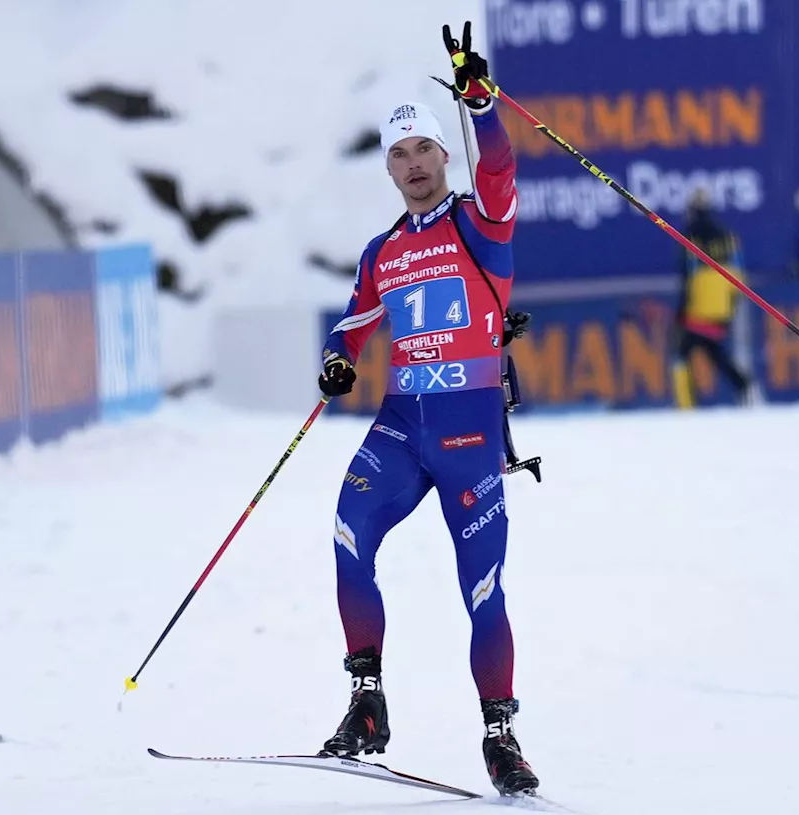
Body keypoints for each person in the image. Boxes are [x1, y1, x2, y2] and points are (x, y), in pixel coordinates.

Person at [313, 22, 538, 797]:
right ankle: (367, 702)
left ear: (445, 156)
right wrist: (339, 359)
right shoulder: (384, 251)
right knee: (347, 535)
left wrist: (479, 101)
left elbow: (503, 163)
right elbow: (355, 318)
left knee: (482, 588)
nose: (412, 166)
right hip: (403, 426)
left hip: (471, 430)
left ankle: (501, 737)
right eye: (398, 155)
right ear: (389, 167)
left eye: (424, 151)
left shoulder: (482, 221)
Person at [672, 188, 754, 407]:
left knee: (681, 353)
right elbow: (738, 270)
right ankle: (744, 386)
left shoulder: (689, 235)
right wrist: (732, 304)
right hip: (724, 299)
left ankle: (686, 405)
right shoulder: (728, 235)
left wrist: (682, 310)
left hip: (700, 300)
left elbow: (688, 273)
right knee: (712, 348)